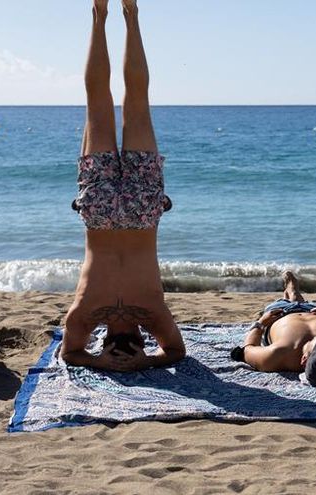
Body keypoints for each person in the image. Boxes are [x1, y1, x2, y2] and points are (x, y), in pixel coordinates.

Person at [61, 0, 185, 372]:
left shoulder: (152, 312)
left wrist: (143, 362)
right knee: (97, 102)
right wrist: (103, 363)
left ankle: (129, 15)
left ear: (141, 339)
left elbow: (174, 351)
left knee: (136, 101)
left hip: (141, 211)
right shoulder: (86, 313)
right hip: (100, 213)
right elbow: (71, 353)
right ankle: (101, 15)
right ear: (103, 340)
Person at [231, 272, 316, 388]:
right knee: (297, 298)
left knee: (289, 298)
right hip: (314, 311)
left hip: (280, 313)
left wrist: (261, 323)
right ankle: (292, 291)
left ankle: (290, 290)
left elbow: (247, 349)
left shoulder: (277, 355)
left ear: (304, 359)